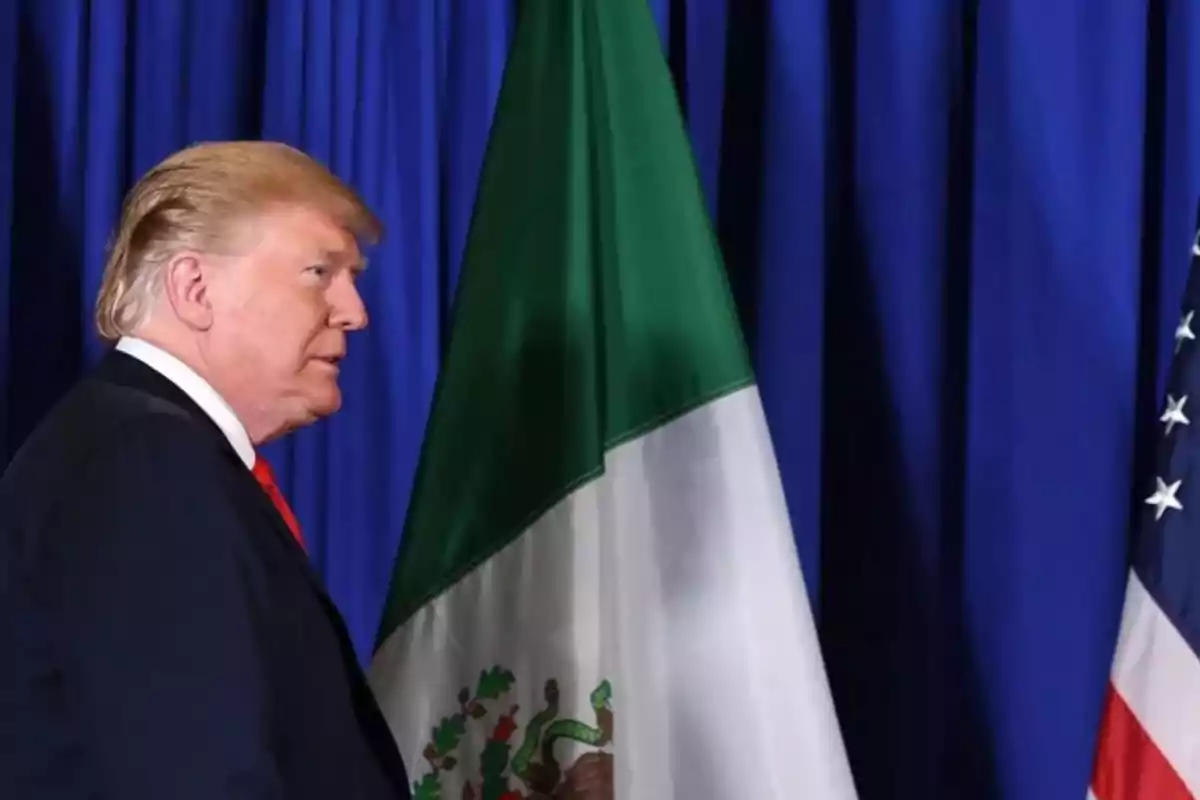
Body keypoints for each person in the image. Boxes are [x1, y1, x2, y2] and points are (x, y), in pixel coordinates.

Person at [0, 141, 411, 799]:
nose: (355, 312)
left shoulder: (142, 448)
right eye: (319, 272)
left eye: (353, 276)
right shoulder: (143, 466)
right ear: (194, 289)